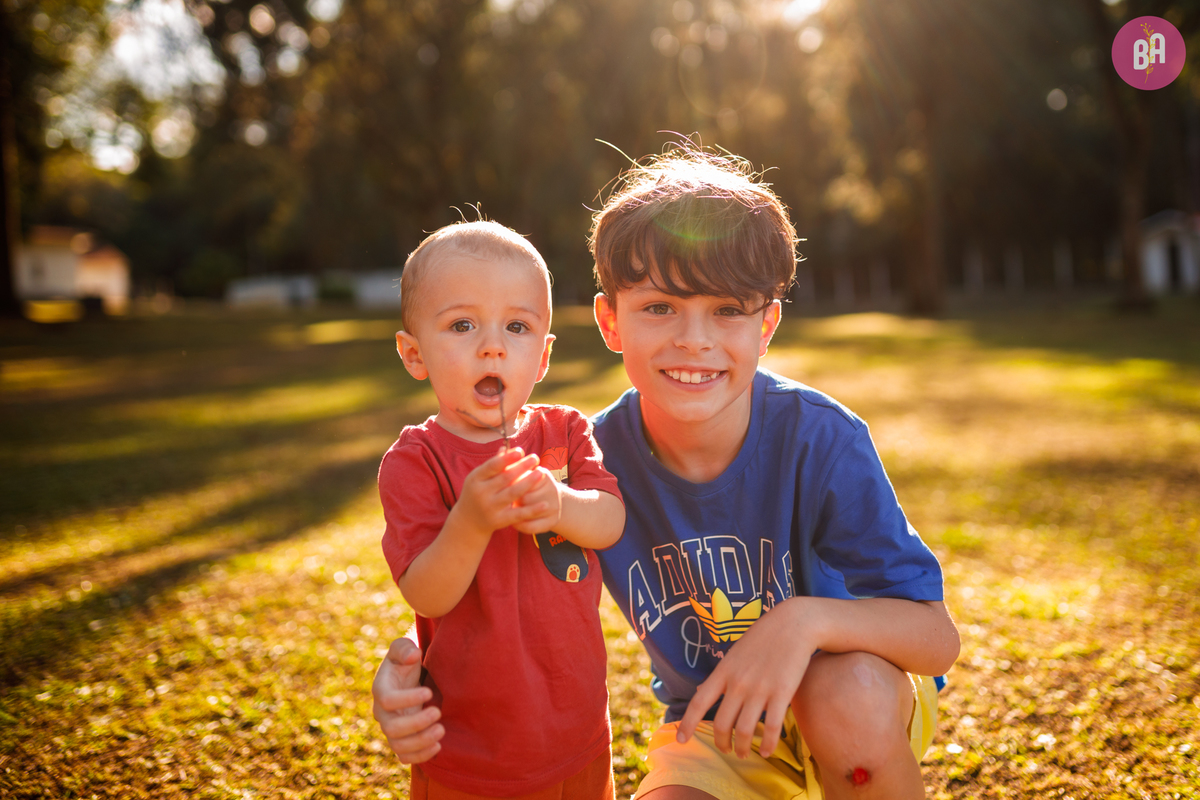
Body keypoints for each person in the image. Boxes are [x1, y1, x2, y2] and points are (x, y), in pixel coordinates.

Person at [373, 149, 960, 800]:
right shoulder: (581, 460)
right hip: (718, 728)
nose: (694, 339)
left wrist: (802, 622)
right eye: (659, 308)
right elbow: (490, 576)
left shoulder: (821, 438)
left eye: (728, 310)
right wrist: (404, 665)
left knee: (846, 701)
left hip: (854, 698)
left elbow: (935, 639)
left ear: (767, 325)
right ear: (609, 321)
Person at [378, 220, 626, 799]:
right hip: (473, 747)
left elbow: (609, 521)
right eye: (462, 325)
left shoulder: (563, 431)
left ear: (541, 357)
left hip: (578, 726)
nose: (493, 346)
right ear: (414, 354)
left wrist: (559, 502)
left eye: (516, 327)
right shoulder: (416, 461)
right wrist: (469, 521)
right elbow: (427, 594)